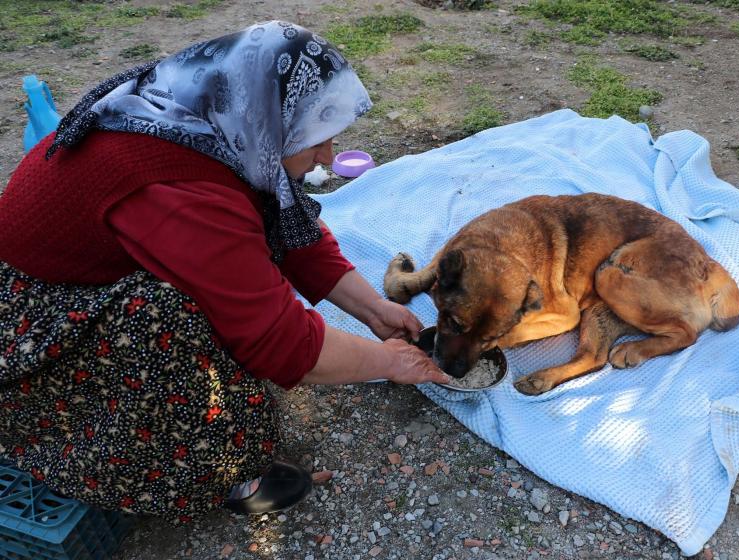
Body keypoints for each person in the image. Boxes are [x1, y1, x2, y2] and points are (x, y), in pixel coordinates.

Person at [0, 21, 448, 524]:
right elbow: (281, 343)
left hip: (81, 270)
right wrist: (391, 362)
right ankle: (205, 473)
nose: (326, 155)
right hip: (33, 324)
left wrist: (376, 309)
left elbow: (291, 226)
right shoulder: (176, 185)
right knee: (176, 315)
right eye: (316, 138)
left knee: (228, 275)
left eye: (332, 137)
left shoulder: (217, 118)